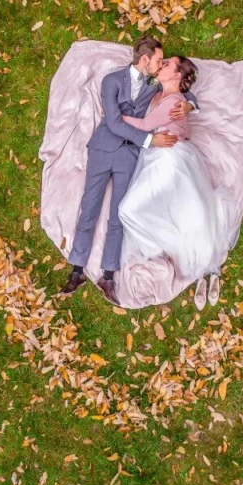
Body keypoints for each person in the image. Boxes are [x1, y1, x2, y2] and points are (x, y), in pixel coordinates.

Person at [57, 36, 198, 297]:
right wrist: (149, 140)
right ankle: (77, 270)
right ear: (144, 60)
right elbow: (112, 122)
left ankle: (108, 275)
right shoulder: (111, 81)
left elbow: (182, 90)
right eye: (158, 60)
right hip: (103, 149)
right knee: (89, 208)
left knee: (119, 214)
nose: (161, 64)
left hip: (129, 155)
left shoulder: (155, 83)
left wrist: (190, 105)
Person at [105, 56, 239, 310]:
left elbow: (145, 125)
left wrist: (116, 118)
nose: (161, 65)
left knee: (129, 210)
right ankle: (195, 263)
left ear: (177, 75)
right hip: (155, 156)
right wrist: (191, 104)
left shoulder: (175, 102)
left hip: (169, 159)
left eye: (167, 64)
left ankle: (194, 261)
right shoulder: (161, 93)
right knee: (176, 211)